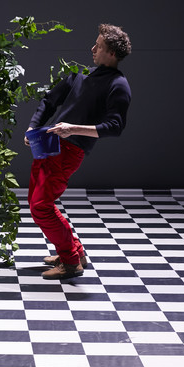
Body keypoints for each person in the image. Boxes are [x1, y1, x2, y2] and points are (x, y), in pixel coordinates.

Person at [24, 23, 132, 280]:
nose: (92, 48)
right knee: (36, 202)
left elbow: (115, 127)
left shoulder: (118, 85)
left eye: (99, 46)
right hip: (49, 144)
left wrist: (72, 129)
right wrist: (33, 127)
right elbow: (50, 100)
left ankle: (71, 262)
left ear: (112, 53)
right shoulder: (81, 74)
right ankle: (76, 252)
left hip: (70, 150)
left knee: (41, 206)